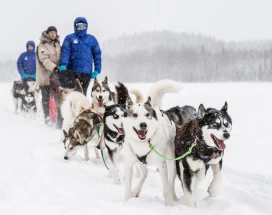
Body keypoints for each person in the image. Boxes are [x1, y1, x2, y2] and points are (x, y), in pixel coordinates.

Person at [59, 17, 102, 95]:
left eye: (83, 26)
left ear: (86, 26)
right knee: (73, 93)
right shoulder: (69, 38)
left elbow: (97, 55)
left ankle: (82, 107)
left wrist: (97, 69)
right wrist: (63, 64)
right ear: (75, 26)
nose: (81, 28)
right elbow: (65, 52)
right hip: (72, 72)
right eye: (79, 26)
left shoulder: (91, 39)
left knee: (83, 92)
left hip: (86, 72)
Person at [36, 26, 63, 128]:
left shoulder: (58, 44)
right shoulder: (42, 45)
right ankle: (47, 116)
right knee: (46, 96)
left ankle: (57, 116)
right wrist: (55, 68)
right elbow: (44, 60)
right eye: (51, 32)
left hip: (56, 75)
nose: (53, 34)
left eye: (54, 33)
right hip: (45, 75)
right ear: (47, 34)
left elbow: (60, 58)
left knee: (57, 96)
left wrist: (61, 68)